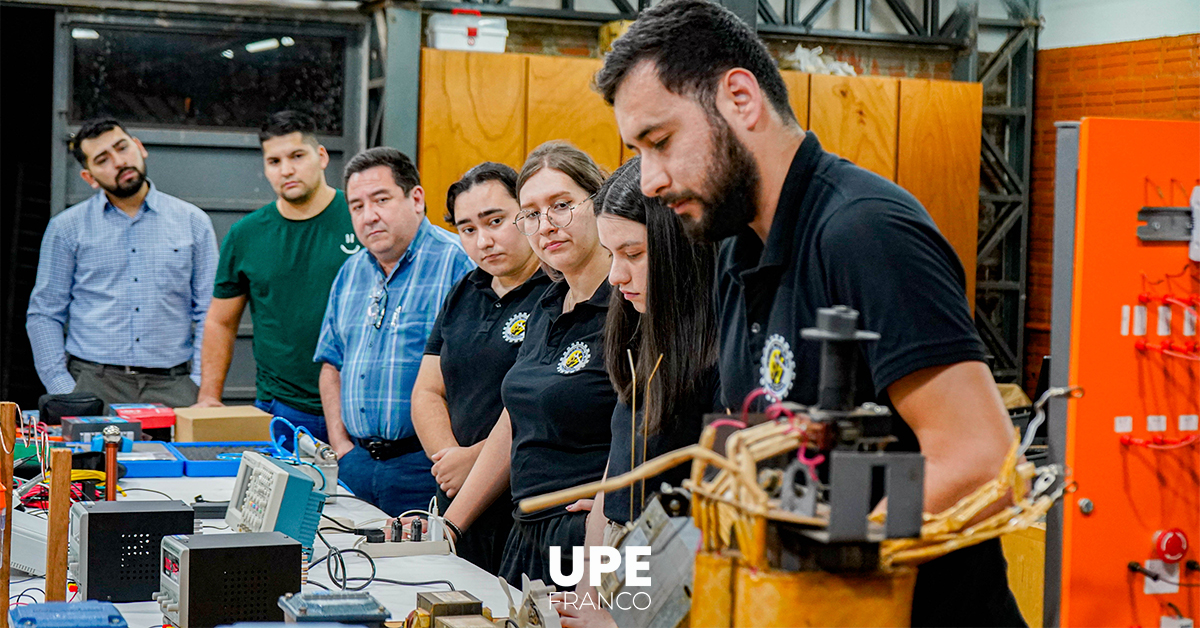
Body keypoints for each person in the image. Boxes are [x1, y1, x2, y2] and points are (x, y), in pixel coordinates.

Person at [595, 1, 1024, 625]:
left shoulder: (865, 231)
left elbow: (980, 460)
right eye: (638, 151)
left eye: (660, 142)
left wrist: (831, 556)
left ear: (740, 99)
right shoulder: (736, 250)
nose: (651, 179)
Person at [554, 156, 720, 627]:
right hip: (620, 555)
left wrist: (623, 618)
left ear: (679, 248)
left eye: (633, 254)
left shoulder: (720, 352)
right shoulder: (637, 321)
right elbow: (614, 479)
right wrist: (590, 592)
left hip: (678, 570)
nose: (615, 277)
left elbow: (714, 527)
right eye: (612, 255)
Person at [441, 142, 615, 586]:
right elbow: (516, 420)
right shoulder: (547, 304)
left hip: (593, 538)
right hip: (527, 531)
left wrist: (619, 501)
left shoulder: (629, 305)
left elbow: (652, 421)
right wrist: (450, 526)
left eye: (561, 205)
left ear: (599, 202)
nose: (547, 225)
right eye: (532, 213)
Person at [314, 147, 473, 516]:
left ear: (416, 198)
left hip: (425, 466)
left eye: (381, 199)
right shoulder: (349, 273)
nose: (369, 216)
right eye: (356, 206)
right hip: (355, 464)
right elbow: (331, 365)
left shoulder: (459, 264)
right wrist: (341, 447)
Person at [412, 162, 551, 573]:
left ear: (525, 214)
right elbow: (427, 390)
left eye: (495, 221)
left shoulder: (556, 293)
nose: (483, 240)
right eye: (468, 229)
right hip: (457, 494)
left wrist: (476, 459)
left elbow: (535, 405)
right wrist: (450, 458)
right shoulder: (464, 290)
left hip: (522, 500)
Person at [27, 117, 218, 409]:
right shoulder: (67, 228)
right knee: (93, 458)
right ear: (89, 177)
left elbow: (211, 310)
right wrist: (65, 389)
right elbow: (44, 313)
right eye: (103, 159)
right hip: (93, 383)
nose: (119, 162)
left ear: (139, 148)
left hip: (174, 387)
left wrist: (199, 383)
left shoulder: (193, 222)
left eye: (122, 148)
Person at [196, 111, 359, 444]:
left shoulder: (360, 219)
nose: (286, 170)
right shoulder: (246, 235)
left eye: (297, 156)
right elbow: (221, 322)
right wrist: (208, 397)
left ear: (322, 157)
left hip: (358, 405)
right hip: (282, 409)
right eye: (274, 161)